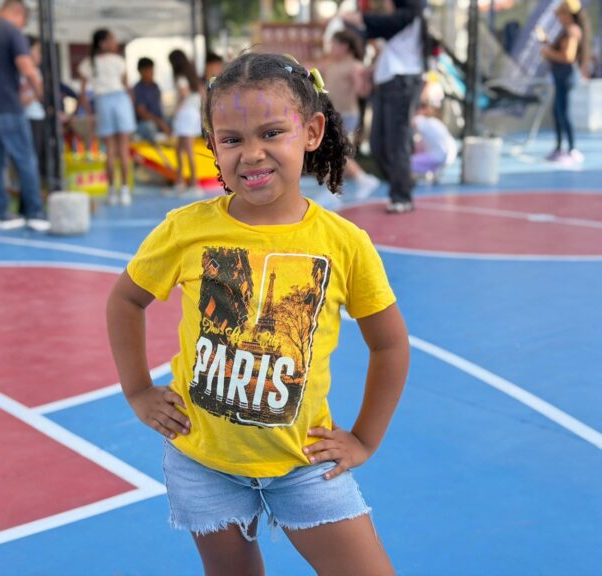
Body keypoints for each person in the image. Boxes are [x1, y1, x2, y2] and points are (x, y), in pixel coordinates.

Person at [107, 52, 409, 576]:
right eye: (232, 139)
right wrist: (137, 390)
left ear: (312, 131)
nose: (252, 154)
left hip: (303, 463)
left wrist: (363, 438)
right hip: (202, 461)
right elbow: (125, 301)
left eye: (272, 133)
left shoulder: (344, 244)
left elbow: (390, 344)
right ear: (213, 146)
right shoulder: (186, 229)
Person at [0, 0, 49, 232]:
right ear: (18, 13)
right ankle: (35, 213)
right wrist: (40, 89)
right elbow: (26, 66)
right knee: (25, 159)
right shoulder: (12, 32)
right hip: (9, 107)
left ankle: (1, 214)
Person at [343, 0, 427, 214]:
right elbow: (371, 31)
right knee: (378, 144)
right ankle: (404, 182)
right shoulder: (397, 26)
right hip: (386, 84)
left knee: (396, 141)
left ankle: (402, 195)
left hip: (402, 83)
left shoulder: (411, 14)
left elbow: (382, 23)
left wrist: (360, 18)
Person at [79, 29, 136, 206]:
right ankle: (125, 191)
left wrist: (89, 113)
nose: (115, 42)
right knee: (123, 149)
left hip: (102, 102)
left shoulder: (88, 63)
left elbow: (82, 94)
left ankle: (111, 191)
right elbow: (127, 87)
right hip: (120, 100)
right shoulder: (118, 61)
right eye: (112, 39)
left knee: (109, 150)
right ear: (103, 43)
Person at [325, 29, 381, 199]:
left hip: (346, 114)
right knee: (329, 150)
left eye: (334, 45)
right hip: (333, 114)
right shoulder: (332, 64)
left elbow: (363, 92)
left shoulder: (354, 66)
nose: (331, 48)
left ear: (344, 47)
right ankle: (333, 183)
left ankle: (361, 178)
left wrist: (365, 77)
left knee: (334, 150)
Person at [540, 0, 587, 163]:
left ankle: (572, 148)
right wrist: (547, 44)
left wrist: (548, 53)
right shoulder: (566, 31)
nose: (559, 17)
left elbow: (568, 56)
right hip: (560, 76)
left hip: (566, 76)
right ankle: (559, 147)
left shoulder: (572, 31)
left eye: (561, 14)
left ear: (568, 15)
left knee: (564, 112)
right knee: (557, 111)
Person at [168, 49, 204, 196]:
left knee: (185, 150)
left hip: (185, 114)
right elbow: (202, 94)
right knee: (181, 150)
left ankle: (192, 184)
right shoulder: (193, 77)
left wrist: (177, 109)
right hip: (193, 114)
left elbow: (183, 93)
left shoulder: (181, 77)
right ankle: (181, 182)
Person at [21, 35, 47, 182]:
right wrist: (35, 92)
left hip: (37, 115)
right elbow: (23, 99)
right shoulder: (22, 73)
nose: (39, 54)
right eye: (37, 50)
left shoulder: (36, 72)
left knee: (37, 153)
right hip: (27, 117)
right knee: (29, 154)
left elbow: (40, 95)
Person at [411, 99, 457, 181]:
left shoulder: (421, 120)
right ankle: (427, 172)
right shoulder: (436, 122)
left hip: (438, 157)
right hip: (450, 156)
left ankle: (421, 172)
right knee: (418, 143)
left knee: (405, 163)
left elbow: (412, 122)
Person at [132, 57, 170, 143]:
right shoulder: (137, 89)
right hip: (144, 123)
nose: (151, 72)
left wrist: (162, 122)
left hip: (159, 120)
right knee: (150, 127)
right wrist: (160, 123)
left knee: (175, 122)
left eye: (152, 69)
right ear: (140, 71)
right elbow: (142, 113)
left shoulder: (155, 86)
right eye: (148, 70)